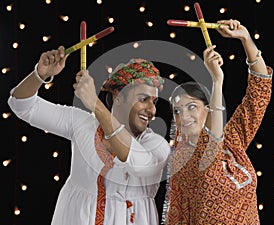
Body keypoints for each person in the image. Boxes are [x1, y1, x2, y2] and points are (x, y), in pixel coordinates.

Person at [7, 48, 171, 224]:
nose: (152, 110)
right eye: (143, 99)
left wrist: (94, 103)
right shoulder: (82, 124)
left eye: (154, 102)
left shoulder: (157, 145)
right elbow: (22, 105)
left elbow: (137, 164)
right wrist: (40, 74)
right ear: (118, 95)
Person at [163, 19, 273, 225]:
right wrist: (216, 80)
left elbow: (259, 95)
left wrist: (245, 39)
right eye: (177, 111)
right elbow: (210, 145)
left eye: (191, 107)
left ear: (208, 108)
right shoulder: (182, 158)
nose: (183, 116)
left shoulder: (231, 142)